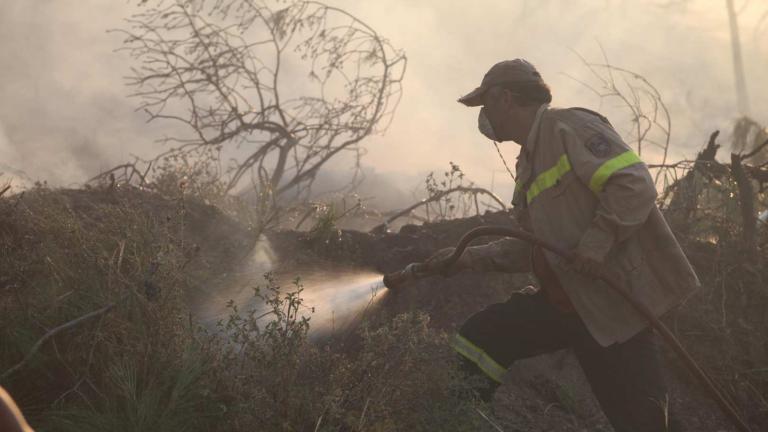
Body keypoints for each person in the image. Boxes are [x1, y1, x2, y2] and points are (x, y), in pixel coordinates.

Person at [432, 59, 700, 432]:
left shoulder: (569, 127)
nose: (484, 117)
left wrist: (596, 244)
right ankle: (450, 422)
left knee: (643, 421)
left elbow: (633, 183)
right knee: (479, 339)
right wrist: (467, 258)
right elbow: (534, 246)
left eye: (486, 105)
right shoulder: (528, 163)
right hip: (568, 304)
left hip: (611, 306)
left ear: (506, 98)